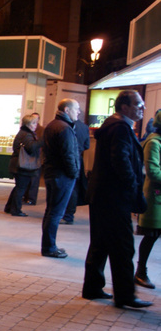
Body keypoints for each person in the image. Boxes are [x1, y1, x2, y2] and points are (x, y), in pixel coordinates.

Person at [82, 89, 152, 309]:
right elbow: (121, 161)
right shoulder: (120, 128)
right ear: (124, 107)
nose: (142, 108)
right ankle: (125, 295)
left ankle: (92, 287)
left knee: (101, 243)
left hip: (103, 195)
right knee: (122, 246)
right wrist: (132, 187)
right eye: (138, 104)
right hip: (113, 197)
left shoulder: (114, 125)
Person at [40, 99, 81, 258]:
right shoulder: (64, 128)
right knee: (55, 212)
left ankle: (49, 245)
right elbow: (68, 155)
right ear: (66, 109)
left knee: (51, 211)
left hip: (53, 173)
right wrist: (74, 173)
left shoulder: (53, 125)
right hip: (61, 175)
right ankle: (49, 247)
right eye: (76, 109)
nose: (78, 112)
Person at [136, 116, 161, 289]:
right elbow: (153, 172)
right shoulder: (154, 142)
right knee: (151, 235)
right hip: (155, 197)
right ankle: (140, 272)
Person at [4, 113, 42, 217]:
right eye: (34, 123)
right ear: (29, 124)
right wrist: (41, 141)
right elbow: (31, 147)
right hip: (22, 165)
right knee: (21, 188)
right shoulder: (27, 135)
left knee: (19, 187)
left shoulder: (23, 133)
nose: (36, 125)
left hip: (17, 164)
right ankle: (16, 210)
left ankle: (9, 207)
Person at [61, 113, 91, 224]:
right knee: (74, 188)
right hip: (79, 159)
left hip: (65, 160)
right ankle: (69, 214)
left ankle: (62, 213)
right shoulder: (84, 127)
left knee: (65, 187)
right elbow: (87, 146)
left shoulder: (64, 126)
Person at [24, 114, 42, 205]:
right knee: (26, 180)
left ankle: (31, 198)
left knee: (34, 180)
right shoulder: (27, 133)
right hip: (28, 159)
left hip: (37, 158)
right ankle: (26, 196)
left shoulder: (42, 130)